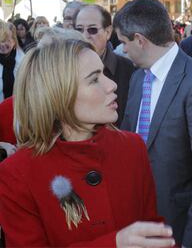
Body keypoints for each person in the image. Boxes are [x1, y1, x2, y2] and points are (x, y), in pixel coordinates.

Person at [0, 37, 175, 247]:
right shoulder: (16, 174)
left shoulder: (132, 147)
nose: (112, 85)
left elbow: (153, 230)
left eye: (104, 74)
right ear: (58, 94)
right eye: (94, 79)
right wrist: (114, 244)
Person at [114, 0, 192, 247]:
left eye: (124, 42)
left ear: (140, 40)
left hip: (177, 228)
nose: (122, 50)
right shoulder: (137, 79)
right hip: (135, 222)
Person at [74, 4, 135, 126]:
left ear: (108, 32)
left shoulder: (128, 70)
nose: (85, 36)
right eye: (79, 29)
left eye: (92, 30)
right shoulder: (64, 69)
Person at [0, 21, 25, 102]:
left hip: (18, 108)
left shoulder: (23, 61)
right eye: (0, 40)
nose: (2, 44)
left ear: (14, 41)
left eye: (7, 40)